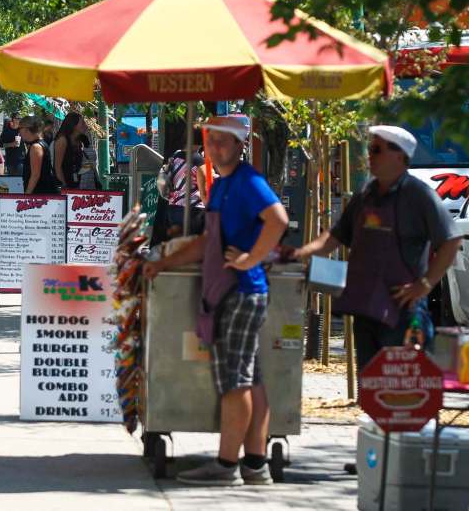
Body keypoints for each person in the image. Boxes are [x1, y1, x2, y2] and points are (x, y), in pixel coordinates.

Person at [144, 116, 288, 486]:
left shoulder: (247, 181)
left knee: (235, 381)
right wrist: (162, 263)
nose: (216, 148)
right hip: (234, 291)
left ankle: (227, 466)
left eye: (225, 142)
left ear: (241, 145)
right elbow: (207, 241)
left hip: (239, 292)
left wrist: (249, 259)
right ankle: (255, 463)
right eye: (212, 141)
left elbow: (278, 219)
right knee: (251, 379)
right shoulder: (222, 186)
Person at [292, 125, 462, 371]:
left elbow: (451, 240)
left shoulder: (418, 194)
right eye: (369, 149)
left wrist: (424, 284)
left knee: (402, 389)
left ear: (400, 156)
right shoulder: (365, 195)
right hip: (365, 308)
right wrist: (300, 254)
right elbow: (335, 236)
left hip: (402, 313)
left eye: (376, 149)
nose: (369, 155)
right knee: (372, 386)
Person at [151, 133, 208, 246]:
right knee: (192, 247)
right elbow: (204, 192)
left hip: (173, 208)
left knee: (178, 246)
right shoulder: (198, 161)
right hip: (193, 210)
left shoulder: (175, 155)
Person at [19, 116, 59, 194]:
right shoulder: (38, 144)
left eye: (20, 128)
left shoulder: (36, 147)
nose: (19, 132)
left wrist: (26, 197)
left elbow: (35, 175)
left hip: (41, 193)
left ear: (26, 129)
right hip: (43, 192)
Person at [53, 112, 90, 190]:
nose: (85, 126)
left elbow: (77, 165)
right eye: (82, 123)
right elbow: (57, 167)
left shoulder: (79, 141)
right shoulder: (62, 140)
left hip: (75, 185)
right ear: (73, 125)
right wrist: (65, 187)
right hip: (63, 187)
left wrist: (87, 167)